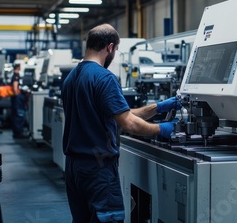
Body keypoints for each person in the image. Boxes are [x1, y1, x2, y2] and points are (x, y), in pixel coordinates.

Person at [62, 23, 181, 223]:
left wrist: (158, 108)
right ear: (109, 47)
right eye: (116, 50)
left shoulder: (71, 78)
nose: (114, 54)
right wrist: (162, 129)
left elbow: (117, 114)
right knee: (108, 219)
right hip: (97, 168)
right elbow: (129, 124)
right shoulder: (104, 77)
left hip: (74, 168)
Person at [10, 63, 28, 138]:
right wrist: (17, 94)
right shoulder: (16, 76)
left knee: (17, 114)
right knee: (19, 114)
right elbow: (15, 87)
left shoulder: (14, 75)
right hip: (17, 98)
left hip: (16, 98)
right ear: (18, 67)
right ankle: (18, 132)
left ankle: (17, 132)